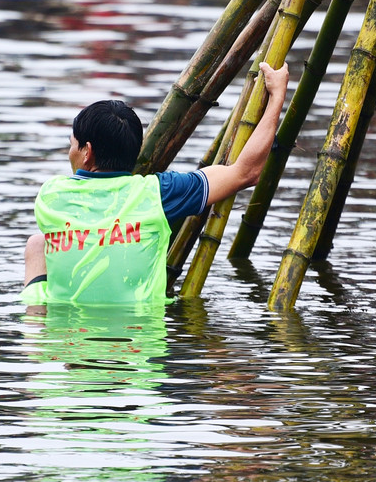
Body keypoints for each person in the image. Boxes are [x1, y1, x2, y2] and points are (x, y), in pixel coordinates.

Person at [21, 61, 290, 309]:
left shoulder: (50, 196)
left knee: (37, 243)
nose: (70, 152)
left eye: (71, 145)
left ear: (87, 151)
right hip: (139, 349)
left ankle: (34, 336)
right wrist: (277, 97)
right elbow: (246, 172)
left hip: (64, 344)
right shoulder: (158, 193)